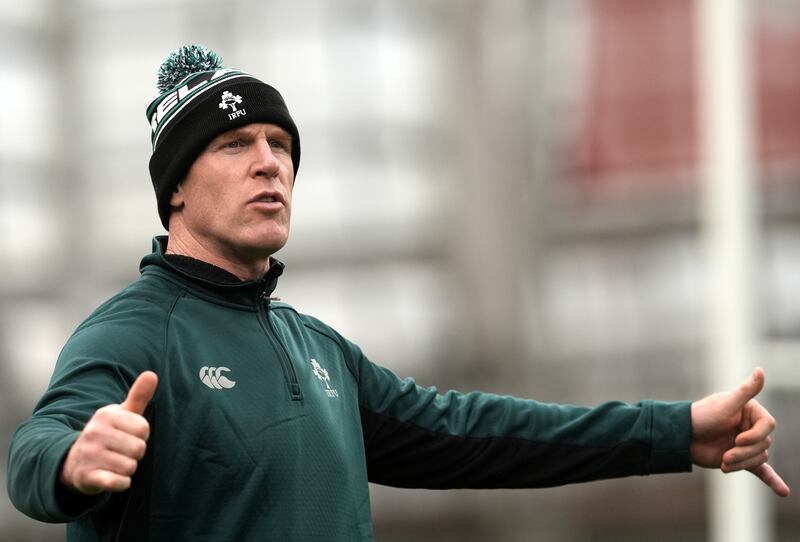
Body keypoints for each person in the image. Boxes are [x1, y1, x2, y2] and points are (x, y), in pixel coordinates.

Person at [6, 45, 790, 541]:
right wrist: (75, 458)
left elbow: (482, 434)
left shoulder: (319, 351)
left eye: (281, 146)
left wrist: (675, 432)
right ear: (175, 188)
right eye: (236, 145)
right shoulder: (132, 333)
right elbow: (33, 455)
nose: (270, 163)